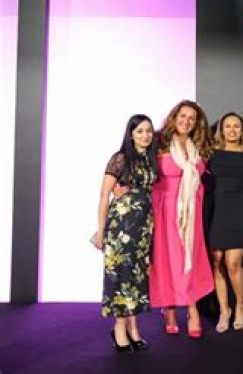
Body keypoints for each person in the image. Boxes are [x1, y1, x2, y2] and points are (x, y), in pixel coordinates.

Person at [150, 100, 214, 338]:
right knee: (168, 258)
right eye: (183, 116)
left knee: (190, 258)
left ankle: (191, 306)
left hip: (192, 211)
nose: (186, 121)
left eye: (192, 118)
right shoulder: (159, 142)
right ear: (174, 117)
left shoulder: (198, 146)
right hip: (165, 209)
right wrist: (119, 185)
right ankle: (169, 307)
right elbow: (134, 162)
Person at [94, 114, 158, 352]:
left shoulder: (151, 159)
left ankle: (134, 328)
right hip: (121, 227)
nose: (145, 135)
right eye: (140, 131)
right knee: (121, 277)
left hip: (144, 227)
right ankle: (119, 328)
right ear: (130, 134)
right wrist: (101, 232)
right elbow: (104, 195)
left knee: (137, 278)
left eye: (149, 131)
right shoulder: (120, 159)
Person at [207, 112, 243, 333]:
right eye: (227, 126)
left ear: (242, 130)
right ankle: (223, 310)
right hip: (217, 211)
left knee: (233, 263)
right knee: (217, 261)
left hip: (240, 211)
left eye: (236, 126)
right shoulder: (211, 153)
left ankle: (240, 305)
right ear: (221, 129)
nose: (232, 130)